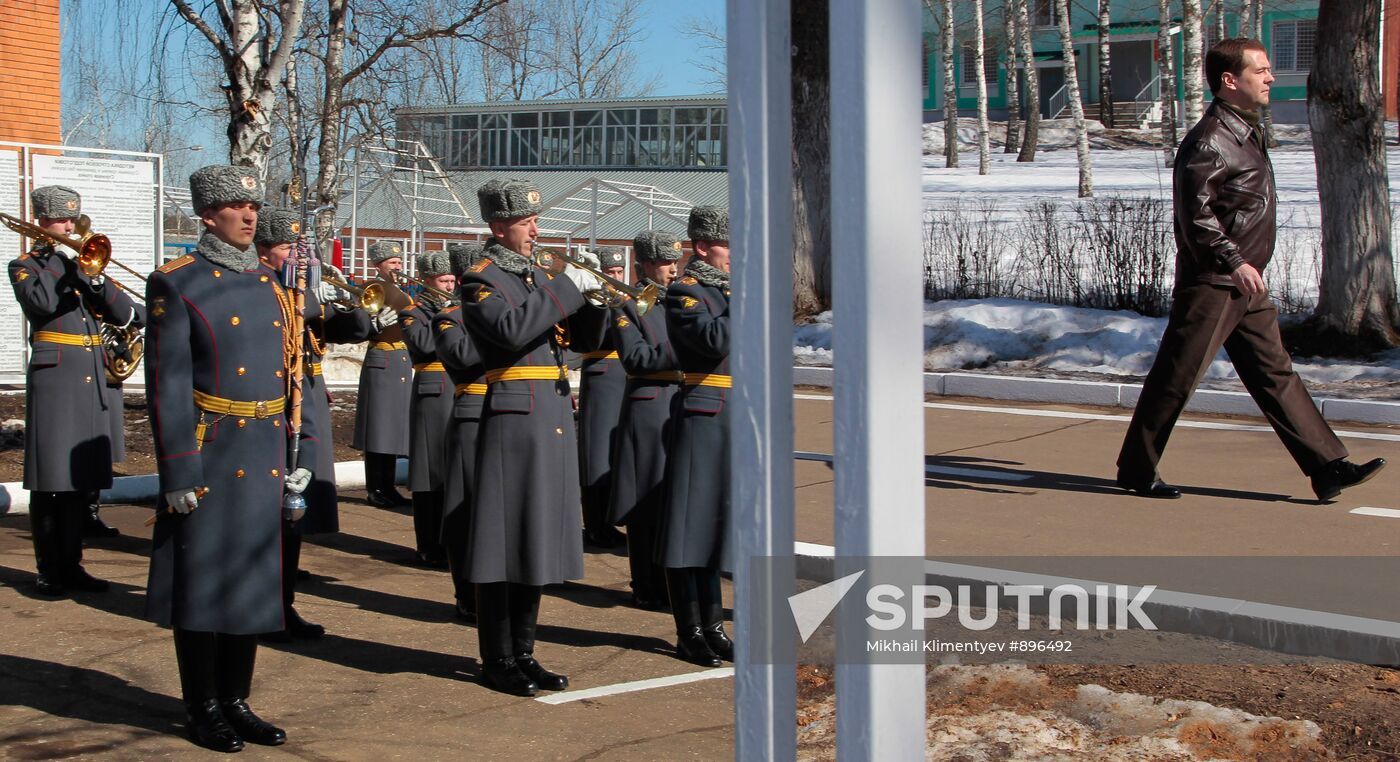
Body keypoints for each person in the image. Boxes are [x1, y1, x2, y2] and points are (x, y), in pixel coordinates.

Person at [1115, 38, 1385, 503]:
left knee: (1275, 373)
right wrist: (1234, 260)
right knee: (1178, 375)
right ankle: (1137, 468)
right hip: (1216, 280)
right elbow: (1195, 216)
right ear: (1230, 80)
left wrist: (1245, 265)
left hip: (1245, 279)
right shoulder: (1210, 140)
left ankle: (1327, 467)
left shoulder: (1244, 130)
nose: (1270, 77)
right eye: (1260, 70)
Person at [144, 165, 316, 752]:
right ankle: (203, 706)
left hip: (266, 447)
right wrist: (178, 468)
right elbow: (165, 384)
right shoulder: (179, 282)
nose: (249, 215)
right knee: (203, 583)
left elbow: (294, 375)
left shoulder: (272, 286)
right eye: (236, 206)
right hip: (213, 449)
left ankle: (237, 699)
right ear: (207, 215)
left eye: (252, 205)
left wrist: (301, 450)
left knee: (253, 581)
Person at [457, 179, 604, 696]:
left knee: (534, 538)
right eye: (526, 222)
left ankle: (524, 652)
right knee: (503, 542)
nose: (536, 231)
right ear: (499, 226)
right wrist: (565, 290)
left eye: (535, 221)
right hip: (512, 419)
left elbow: (585, 342)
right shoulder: (479, 280)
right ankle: (496, 657)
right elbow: (510, 332)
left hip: (551, 417)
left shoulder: (539, 276)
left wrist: (595, 298)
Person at [9, 185, 139, 596]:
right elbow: (43, 306)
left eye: (72, 218)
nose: (70, 225)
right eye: (62, 219)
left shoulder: (79, 265)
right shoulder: (27, 265)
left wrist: (95, 277)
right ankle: (51, 568)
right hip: (56, 377)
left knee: (80, 477)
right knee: (52, 479)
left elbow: (125, 314)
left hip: (91, 375)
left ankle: (74, 564)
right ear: (41, 221)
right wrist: (77, 272)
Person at [254, 208, 369, 642]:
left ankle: (283, 603)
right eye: (288, 249)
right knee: (270, 506)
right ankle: (264, 604)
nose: (297, 258)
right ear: (264, 251)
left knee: (296, 506)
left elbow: (354, 330)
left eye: (301, 251)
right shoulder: (260, 287)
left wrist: (349, 297)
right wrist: (310, 292)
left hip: (308, 398)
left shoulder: (303, 289)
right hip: (274, 402)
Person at [659, 206, 733, 666]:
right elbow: (712, 343)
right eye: (729, 246)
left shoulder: (723, 290)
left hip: (732, 417)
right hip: (703, 413)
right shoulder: (685, 291)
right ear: (703, 246)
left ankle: (714, 625)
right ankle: (689, 630)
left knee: (713, 527)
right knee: (688, 528)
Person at [607, 230, 683, 609]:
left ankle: (672, 581)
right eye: (666, 261)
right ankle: (647, 585)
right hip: (649, 404)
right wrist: (682, 343)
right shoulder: (628, 305)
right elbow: (636, 360)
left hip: (681, 403)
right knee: (647, 504)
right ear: (647, 264)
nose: (673, 267)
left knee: (675, 499)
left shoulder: (683, 299)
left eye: (675, 260)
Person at [434, 241, 488, 621]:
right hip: (474, 412)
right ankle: (466, 590)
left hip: (516, 411)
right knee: (465, 507)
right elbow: (463, 357)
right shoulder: (449, 317)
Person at [400, 251, 457, 567]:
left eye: (451, 280)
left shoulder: (456, 307)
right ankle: (428, 543)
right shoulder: (413, 312)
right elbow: (425, 345)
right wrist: (449, 318)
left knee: (452, 471)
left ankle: (451, 540)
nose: (449, 285)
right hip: (432, 392)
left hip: (457, 388)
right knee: (429, 472)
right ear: (426, 280)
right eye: (443, 280)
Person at [573, 245, 630, 549]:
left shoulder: (626, 296)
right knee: (597, 453)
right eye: (610, 273)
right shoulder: (589, 299)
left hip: (625, 371)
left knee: (618, 450)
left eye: (620, 272)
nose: (616, 277)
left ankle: (612, 515)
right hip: (602, 370)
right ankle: (596, 523)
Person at [353, 241, 413, 509]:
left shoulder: (400, 289)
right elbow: (361, 319)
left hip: (399, 359)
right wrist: (373, 323)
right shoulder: (372, 288)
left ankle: (387, 485)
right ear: (378, 265)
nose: (398, 267)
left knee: (394, 429)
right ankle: (377, 487)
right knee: (380, 429)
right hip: (383, 359)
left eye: (399, 262)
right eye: (392, 263)